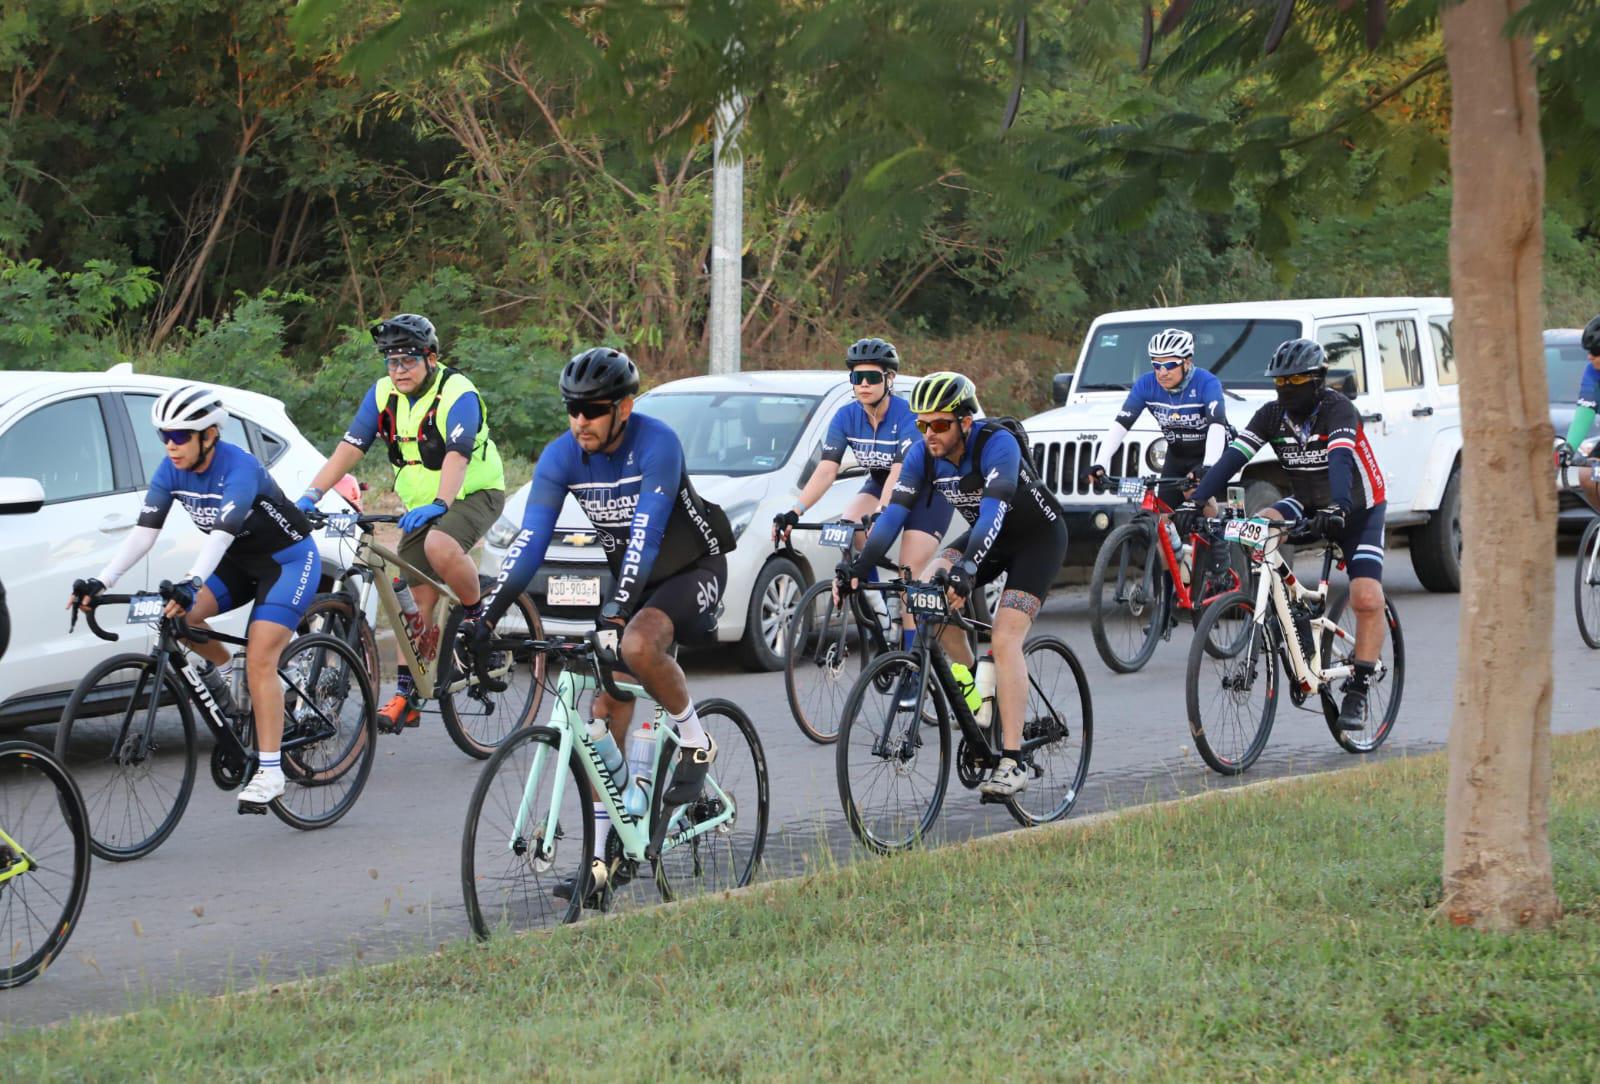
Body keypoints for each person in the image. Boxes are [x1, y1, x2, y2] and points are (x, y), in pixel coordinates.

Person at [478, 347, 735, 902]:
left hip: (692, 569)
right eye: (572, 408)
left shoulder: (657, 443)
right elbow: (530, 540)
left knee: (637, 645)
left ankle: (696, 741)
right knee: (601, 713)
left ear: (624, 407)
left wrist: (616, 613)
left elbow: (646, 532)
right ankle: (601, 862)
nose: (580, 421)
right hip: (635, 583)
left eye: (593, 409)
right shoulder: (562, 456)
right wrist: (486, 615)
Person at [70, 385, 321, 809]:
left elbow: (220, 535)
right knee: (181, 619)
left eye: (180, 436)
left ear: (209, 435)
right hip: (238, 563)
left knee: (260, 658)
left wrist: (190, 582)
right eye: (164, 435)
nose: (170, 444)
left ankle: (271, 771)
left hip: (287, 563)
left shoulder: (239, 468)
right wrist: (102, 581)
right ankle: (229, 680)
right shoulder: (172, 470)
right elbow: (144, 533)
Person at [840, 372, 1068, 798]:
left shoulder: (996, 444)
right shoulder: (923, 455)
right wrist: (857, 568)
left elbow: (994, 512)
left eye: (940, 424)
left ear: (965, 422)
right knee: (926, 594)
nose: (929, 433)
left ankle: (1013, 761)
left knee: (1004, 639)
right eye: (922, 424)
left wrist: (967, 569)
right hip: (985, 538)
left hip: (1036, 540)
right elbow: (892, 517)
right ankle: (978, 694)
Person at [298, 314, 506, 732]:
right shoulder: (383, 394)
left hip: (474, 492)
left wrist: (442, 503)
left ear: (431, 359)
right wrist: (311, 495)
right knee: (409, 600)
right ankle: (408, 693)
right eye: (391, 362)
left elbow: (458, 455)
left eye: (408, 360)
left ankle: (478, 619)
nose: (398, 370)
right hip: (422, 505)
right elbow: (350, 448)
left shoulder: (457, 392)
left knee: (439, 547)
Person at [1175, 338, 1388, 730]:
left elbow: (1341, 461)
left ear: (1318, 380)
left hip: (1357, 507)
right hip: (1306, 500)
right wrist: (1197, 501)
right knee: (1260, 524)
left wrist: (1339, 508)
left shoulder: (1338, 409)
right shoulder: (1271, 415)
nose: (1287, 389)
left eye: (1297, 381)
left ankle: (1358, 688)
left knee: (1365, 596)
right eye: (1280, 382)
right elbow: (1234, 458)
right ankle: (1285, 610)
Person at [771, 337, 951, 649]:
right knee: (850, 527)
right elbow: (827, 469)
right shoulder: (846, 416)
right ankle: (880, 614)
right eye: (857, 377)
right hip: (881, 481)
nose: (864, 384)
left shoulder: (907, 415)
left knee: (909, 575)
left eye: (872, 377)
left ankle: (912, 658)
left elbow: (900, 472)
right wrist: (795, 511)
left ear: (889, 379)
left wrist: (882, 513)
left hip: (926, 491)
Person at [1084, 327, 1231, 581]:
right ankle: (1171, 587)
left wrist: (1207, 467)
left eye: (1170, 365)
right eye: (1156, 365)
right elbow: (1121, 424)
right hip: (1177, 453)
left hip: (1211, 450)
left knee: (1197, 496)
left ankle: (1219, 545)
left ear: (1187, 362)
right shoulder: (1146, 384)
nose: (1162, 372)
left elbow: (1217, 426)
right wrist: (1099, 463)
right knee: (1162, 521)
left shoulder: (1207, 383)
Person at [1559, 315, 1600, 503]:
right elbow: (1585, 412)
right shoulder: (1592, 372)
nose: (1589, 356)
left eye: (1595, 352)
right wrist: (1569, 447)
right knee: (1588, 475)